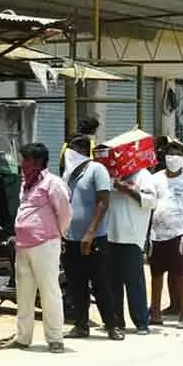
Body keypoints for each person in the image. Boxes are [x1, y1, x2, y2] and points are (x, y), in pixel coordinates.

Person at [0, 143, 71, 351]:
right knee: (24, 293)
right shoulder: (26, 184)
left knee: (49, 291)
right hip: (23, 245)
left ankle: (55, 338)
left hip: (45, 244)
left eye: (26, 160)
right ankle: (23, 337)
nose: (22, 164)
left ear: (38, 162)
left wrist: (56, 234)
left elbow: (65, 213)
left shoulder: (52, 183)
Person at [100, 149, 157, 338]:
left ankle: (141, 321)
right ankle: (116, 321)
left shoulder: (143, 175)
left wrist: (127, 189)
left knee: (134, 282)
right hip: (111, 235)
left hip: (132, 237)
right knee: (112, 282)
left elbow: (151, 201)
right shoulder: (109, 175)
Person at [61, 134, 110, 338]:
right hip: (71, 237)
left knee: (99, 282)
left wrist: (90, 232)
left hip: (94, 237)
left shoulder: (97, 170)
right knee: (76, 284)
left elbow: (103, 201)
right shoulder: (68, 174)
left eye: (73, 150)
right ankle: (81, 325)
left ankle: (111, 324)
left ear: (82, 151)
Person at [148, 143, 183, 328]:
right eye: (169, 154)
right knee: (156, 274)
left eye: (177, 155)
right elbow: (151, 205)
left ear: (182, 158)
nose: (173, 158)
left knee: (180, 274)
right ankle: (155, 312)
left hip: (178, 234)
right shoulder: (155, 179)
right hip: (156, 234)